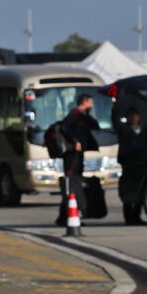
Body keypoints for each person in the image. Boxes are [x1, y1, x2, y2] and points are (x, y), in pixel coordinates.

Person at [56, 94, 100, 225]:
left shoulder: (83, 116)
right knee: (71, 184)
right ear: (84, 102)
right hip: (71, 155)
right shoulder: (74, 114)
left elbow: (95, 125)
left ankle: (65, 216)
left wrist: (86, 115)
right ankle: (67, 216)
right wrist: (75, 141)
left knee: (76, 184)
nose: (92, 105)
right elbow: (65, 128)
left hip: (79, 155)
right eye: (90, 103)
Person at [113, 106, 145, 225]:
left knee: (138, 190)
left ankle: (137, 216)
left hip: (139, 164)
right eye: (130, 116)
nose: (133, 118)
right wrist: (115, 110)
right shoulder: (124, 129)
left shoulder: (143, 130)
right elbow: (116, 124)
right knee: (127, 191)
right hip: (127, 163)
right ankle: (128, 217)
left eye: (134, 115)